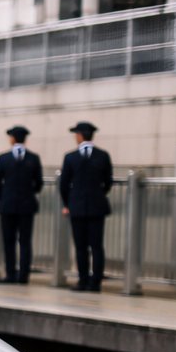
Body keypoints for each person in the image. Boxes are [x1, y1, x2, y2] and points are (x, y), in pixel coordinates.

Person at [58, 121, 114, 292]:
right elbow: (108, 182)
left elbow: (64, 184)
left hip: (77, 207)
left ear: (79, 136)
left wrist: (67, 204)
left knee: (81, 246)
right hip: (97, 206)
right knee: (97, 246)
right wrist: (98, 194)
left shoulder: (70, 157)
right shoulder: (103, 155)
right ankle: (95, 282)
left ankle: (83, 280)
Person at [0, 125, 43, 284]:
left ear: (12, 138)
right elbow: (39, 183)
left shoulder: (3, 158)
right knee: (25, 241)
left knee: (9, 241)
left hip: (8, 205)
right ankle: (24, 275)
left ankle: (10, 274)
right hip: (27, 205)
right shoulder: (33, 158)